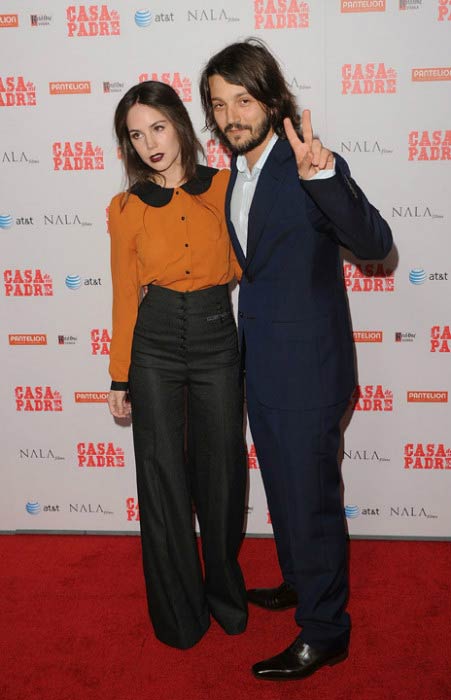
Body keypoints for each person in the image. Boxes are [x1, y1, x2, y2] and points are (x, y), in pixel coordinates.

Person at [200, 39, 393, 680]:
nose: (232, 115)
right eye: (219, 104)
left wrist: (324, 175)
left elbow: (373, 241)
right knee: (285, 490)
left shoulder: (305, 161)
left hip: (308, 372)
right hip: (264, 365)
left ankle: (325, 631)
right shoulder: (239, 176)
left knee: (309, 500)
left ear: (271, 97)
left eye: (244, 100)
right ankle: (299, 584)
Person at [107, 80, 248, 649]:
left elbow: (250, 261)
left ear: (181, 125)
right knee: (162, 477)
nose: (150, 144)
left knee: (221, 472)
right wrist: (119, 374)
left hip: (217, 332)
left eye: (157, 128)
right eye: (136, 136)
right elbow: (122, 295)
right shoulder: (125, 209)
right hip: (155, 341)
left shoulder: (226, 187)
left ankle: (225, 595)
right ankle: (179, 614)